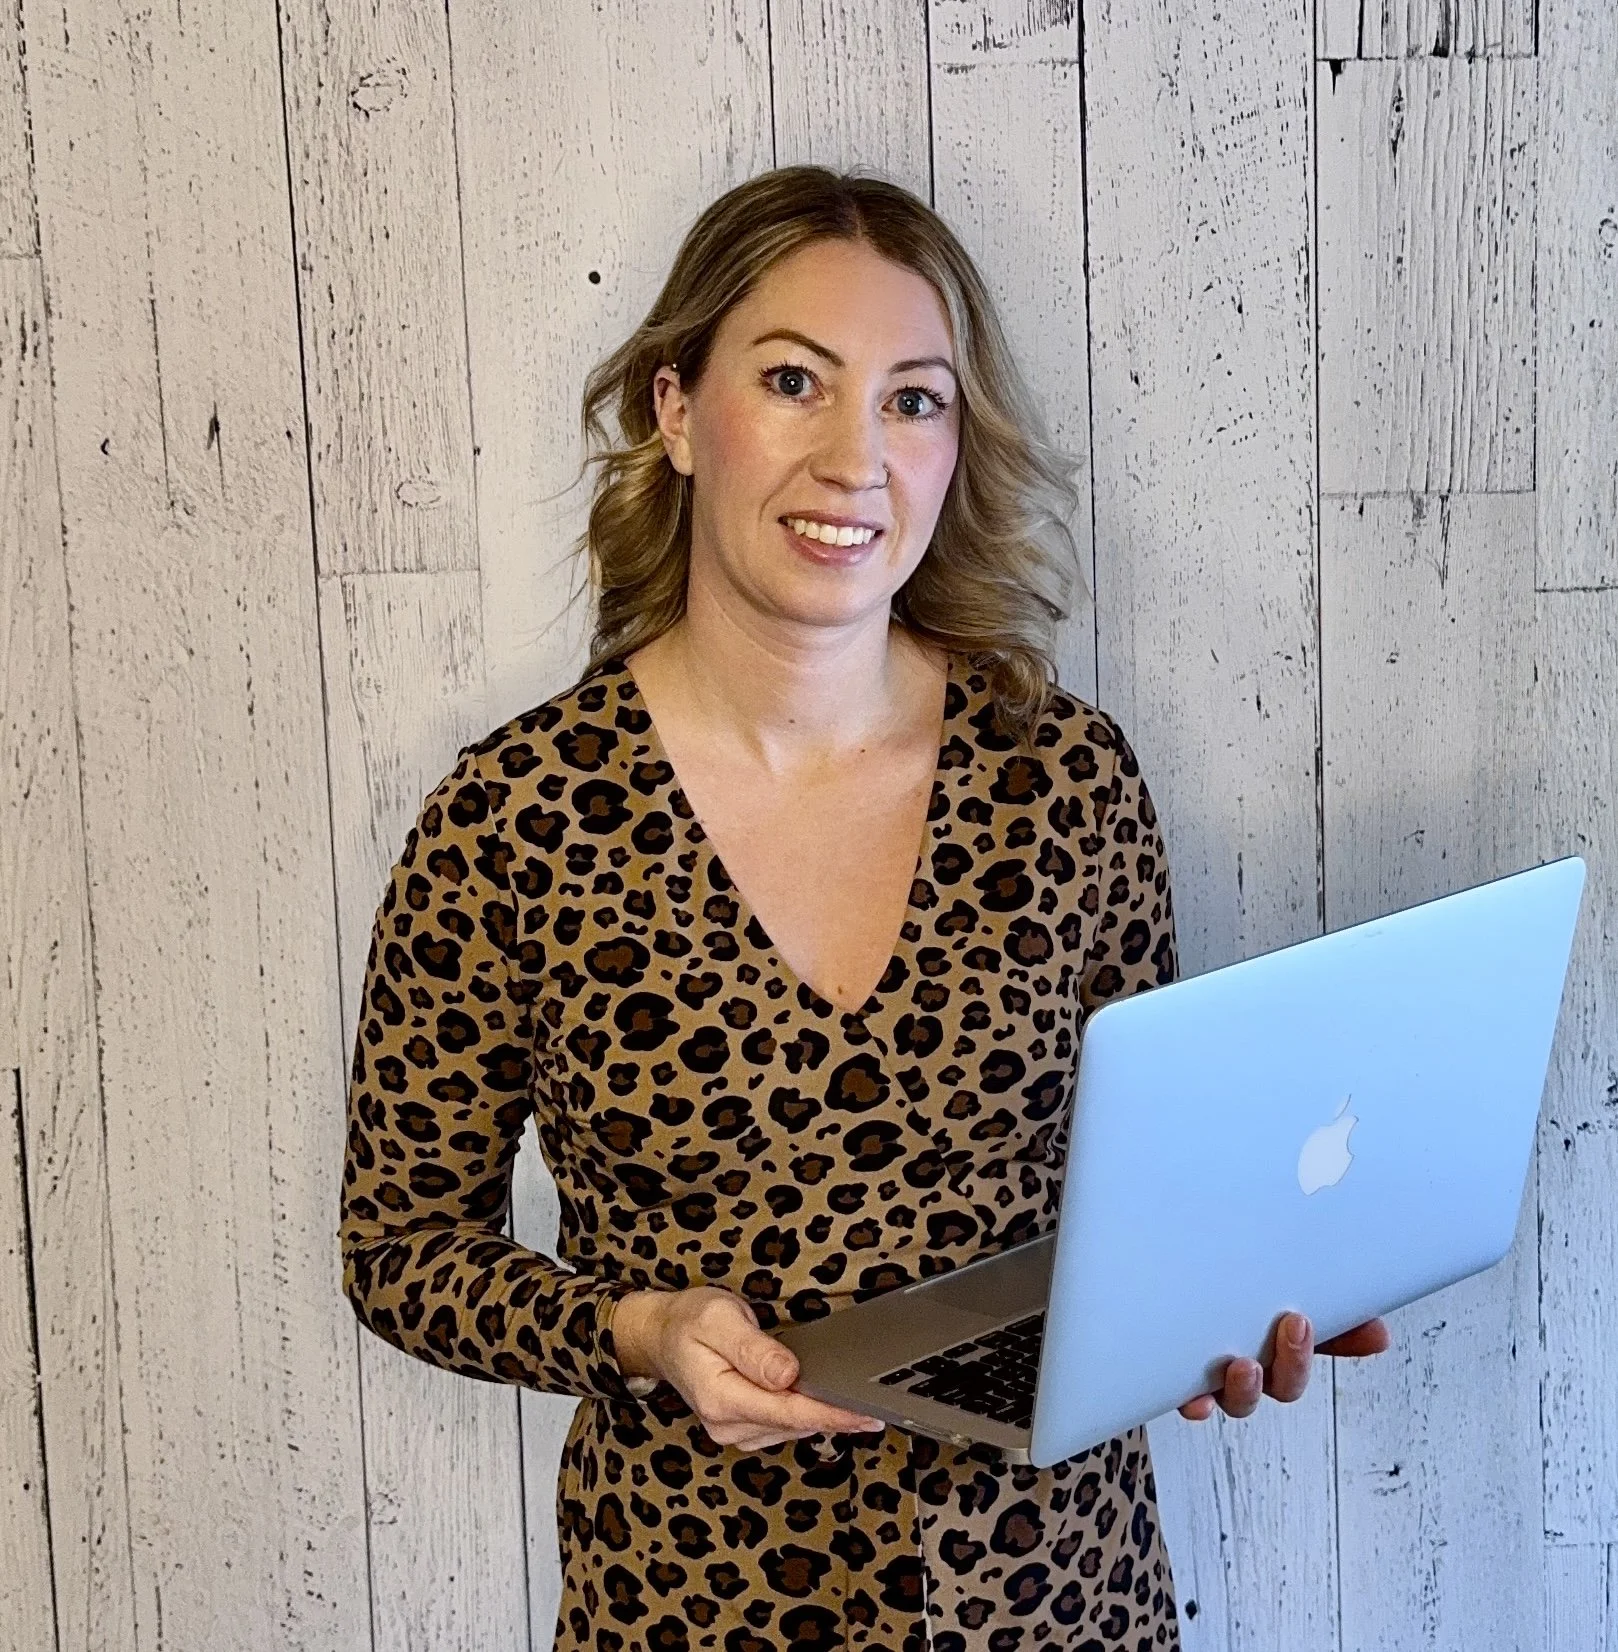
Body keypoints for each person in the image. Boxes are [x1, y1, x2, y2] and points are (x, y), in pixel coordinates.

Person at [338, 165, 1390, 1651]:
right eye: (791, 382)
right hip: (693, 1607)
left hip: (1053, 1597)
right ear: (675, 412)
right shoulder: (513, 823)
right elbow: (399, 1248)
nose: (857, 457)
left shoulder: (1063, 779)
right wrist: (631, 1329)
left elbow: (1147, 1186)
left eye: (913, 400)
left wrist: (1230, 1310)